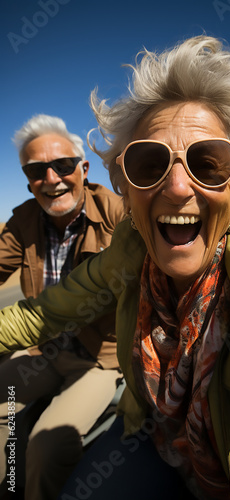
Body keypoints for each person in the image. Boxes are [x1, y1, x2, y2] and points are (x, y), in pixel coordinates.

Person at [0, 37, 230, 500]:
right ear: (127, 191)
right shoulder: (128, 256)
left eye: (208, 164)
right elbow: (42, 313)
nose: (178, 187)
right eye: (149, 163)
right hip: (148, 437)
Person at [0, 114, 125, 500]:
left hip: (100, 359)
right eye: (38, 170)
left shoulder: (118, 216)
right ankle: (8, 487)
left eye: (63, 165)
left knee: (46, 445)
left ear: (83, 168)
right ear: (28, 179)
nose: (52, 179)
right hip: (44, 350)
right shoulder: (24, 220)